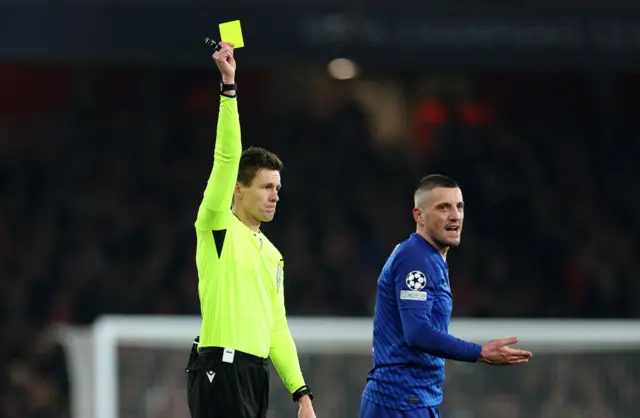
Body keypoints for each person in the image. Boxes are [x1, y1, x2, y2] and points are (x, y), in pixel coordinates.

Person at [185, 42, 316, 418]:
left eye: (278, 188)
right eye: (266, 187)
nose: (275, 196)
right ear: (238, 190)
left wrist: (301, 393)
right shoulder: (217, 226)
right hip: (219, 369)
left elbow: (277, 327)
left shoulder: (273, 254)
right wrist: (229, 86)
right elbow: (226, 157)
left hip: (255, 375)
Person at [359, 174, 533, 418]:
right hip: (399, 401)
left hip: (411, 398)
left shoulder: (428, 257)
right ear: (419, 216)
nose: (455, 215)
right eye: (443, 207)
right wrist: (479, 352)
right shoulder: (415, 258)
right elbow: (417, 332)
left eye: (459, 206)